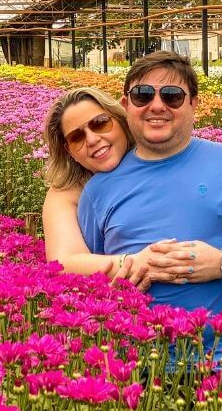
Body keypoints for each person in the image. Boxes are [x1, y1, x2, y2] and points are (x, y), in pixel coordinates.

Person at [76, 51, 222, 356]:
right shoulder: (98, 189)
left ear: (194, 104)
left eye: (172, 96)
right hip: (131, 369)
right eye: (143, 95)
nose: (156, 105)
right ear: (126, 103)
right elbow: (88, 279)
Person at [42, 86, 197, 287]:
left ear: (121, 121)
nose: (92, 139)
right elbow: (63, 262)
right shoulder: (65, 192)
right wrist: (134, 263)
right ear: (68, 150)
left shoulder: (161, 159)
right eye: (76, 137)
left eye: (100, 124)